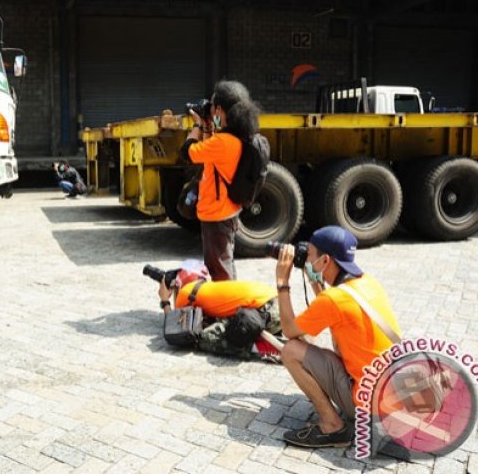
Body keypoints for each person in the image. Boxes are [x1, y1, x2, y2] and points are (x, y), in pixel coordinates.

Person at [275, 226, 402, 448]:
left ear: (325, 261)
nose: (308, 258)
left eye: (311, 254)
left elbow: (289, 330)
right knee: (314, 349)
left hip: (365, 404)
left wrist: (282, 282)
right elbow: (334, 306)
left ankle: (332, 426)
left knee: (291, 350)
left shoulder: (334, 300)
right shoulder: (367, 282)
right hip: (388, 395)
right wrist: (314, 278)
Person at [181, 80, 260, 281]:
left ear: (219, 110)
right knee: (225, 263)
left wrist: (198, 125)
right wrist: (209, 126)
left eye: (214, 107)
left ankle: (228, 309)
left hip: (216, 215)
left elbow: (187, 152)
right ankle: (231, 304)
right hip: (228, 210)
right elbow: (212, 149)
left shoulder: (222, 143)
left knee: (219, 270)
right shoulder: (236, 137)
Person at [156, 260, 282, 359]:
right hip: (277, 306)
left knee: (205, 337)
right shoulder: (209, 287)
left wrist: (165, 300)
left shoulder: (186, 292)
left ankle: (257, 346)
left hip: (265, 314)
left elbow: (175, 324)